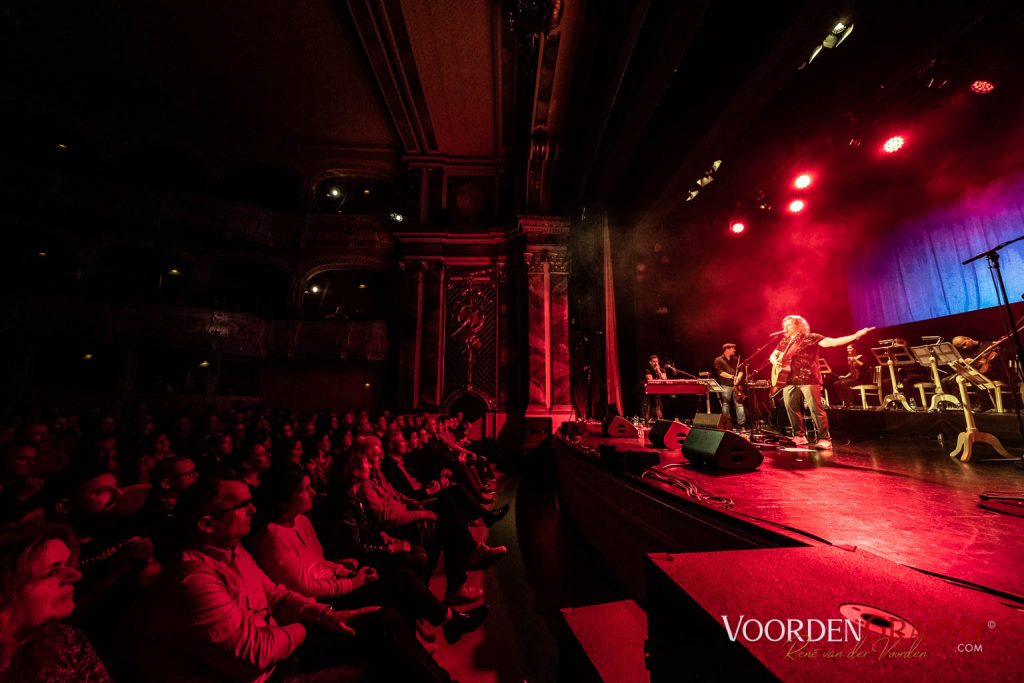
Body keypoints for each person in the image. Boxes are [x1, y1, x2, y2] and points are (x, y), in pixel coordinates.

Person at [127, 475, 452, 682]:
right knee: (383, 666)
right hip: (266, 673)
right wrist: (309, 624)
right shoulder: (192, 578)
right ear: (207, 524)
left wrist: (326, 615)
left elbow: (277, 594)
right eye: (242, 505)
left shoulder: (234, 552)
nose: (253, 510)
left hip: (281, 647)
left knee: (383, 619)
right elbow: (254, 655)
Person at [248, 467, 488, 645]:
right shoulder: (271, 537)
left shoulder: (301, 520)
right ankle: (447, 622)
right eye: (305, 489)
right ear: (285, 499)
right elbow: (307, 589)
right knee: (402, 578)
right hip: (320, 606)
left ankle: (426, 631)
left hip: (337, 580)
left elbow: (318, 563)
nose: (312, 492)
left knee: (404, 575)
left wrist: (345, 569)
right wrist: (354, 581)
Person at [0, 523, 112, 682]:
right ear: (6, 590)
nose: (76, 575)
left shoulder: (68, 642)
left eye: (68, 564)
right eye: (53, 571)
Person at [769, 315, 874, 449]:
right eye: (785, 325)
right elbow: (773, 355)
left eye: (789, 325)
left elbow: (833, 342)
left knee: (815, 409)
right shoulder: (785, 341)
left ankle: (824, 439)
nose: (785, 328)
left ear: (798, 325)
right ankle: (799, 436)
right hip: (789, 379)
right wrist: (775, 361)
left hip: (809, 378)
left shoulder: (811, 337)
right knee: (791, 407)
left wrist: (855, 335)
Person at [713, 344, 746, 428]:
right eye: (732, 349)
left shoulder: (735, 360)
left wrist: (739, 377)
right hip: (725, 385)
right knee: (726, 404)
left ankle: (742, 424)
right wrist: (732, 377)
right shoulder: (718, 360)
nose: (734, 350)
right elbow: (720, 372)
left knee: (739, 404)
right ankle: (726, 424)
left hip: (736, 385)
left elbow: (741, 370)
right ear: (727, 349)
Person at [643, 354, 668, 420]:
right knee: (653, 407)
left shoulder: (662, 370)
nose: (655, 363)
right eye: (654, 361)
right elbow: (650, 380)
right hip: (651, 394)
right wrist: (655, 371)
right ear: (650, 362)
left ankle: (662, 419)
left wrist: (659, 371)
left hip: (661, 393)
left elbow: (665, 380)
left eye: (656, 361)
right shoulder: (648, 370)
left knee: (661, 408)